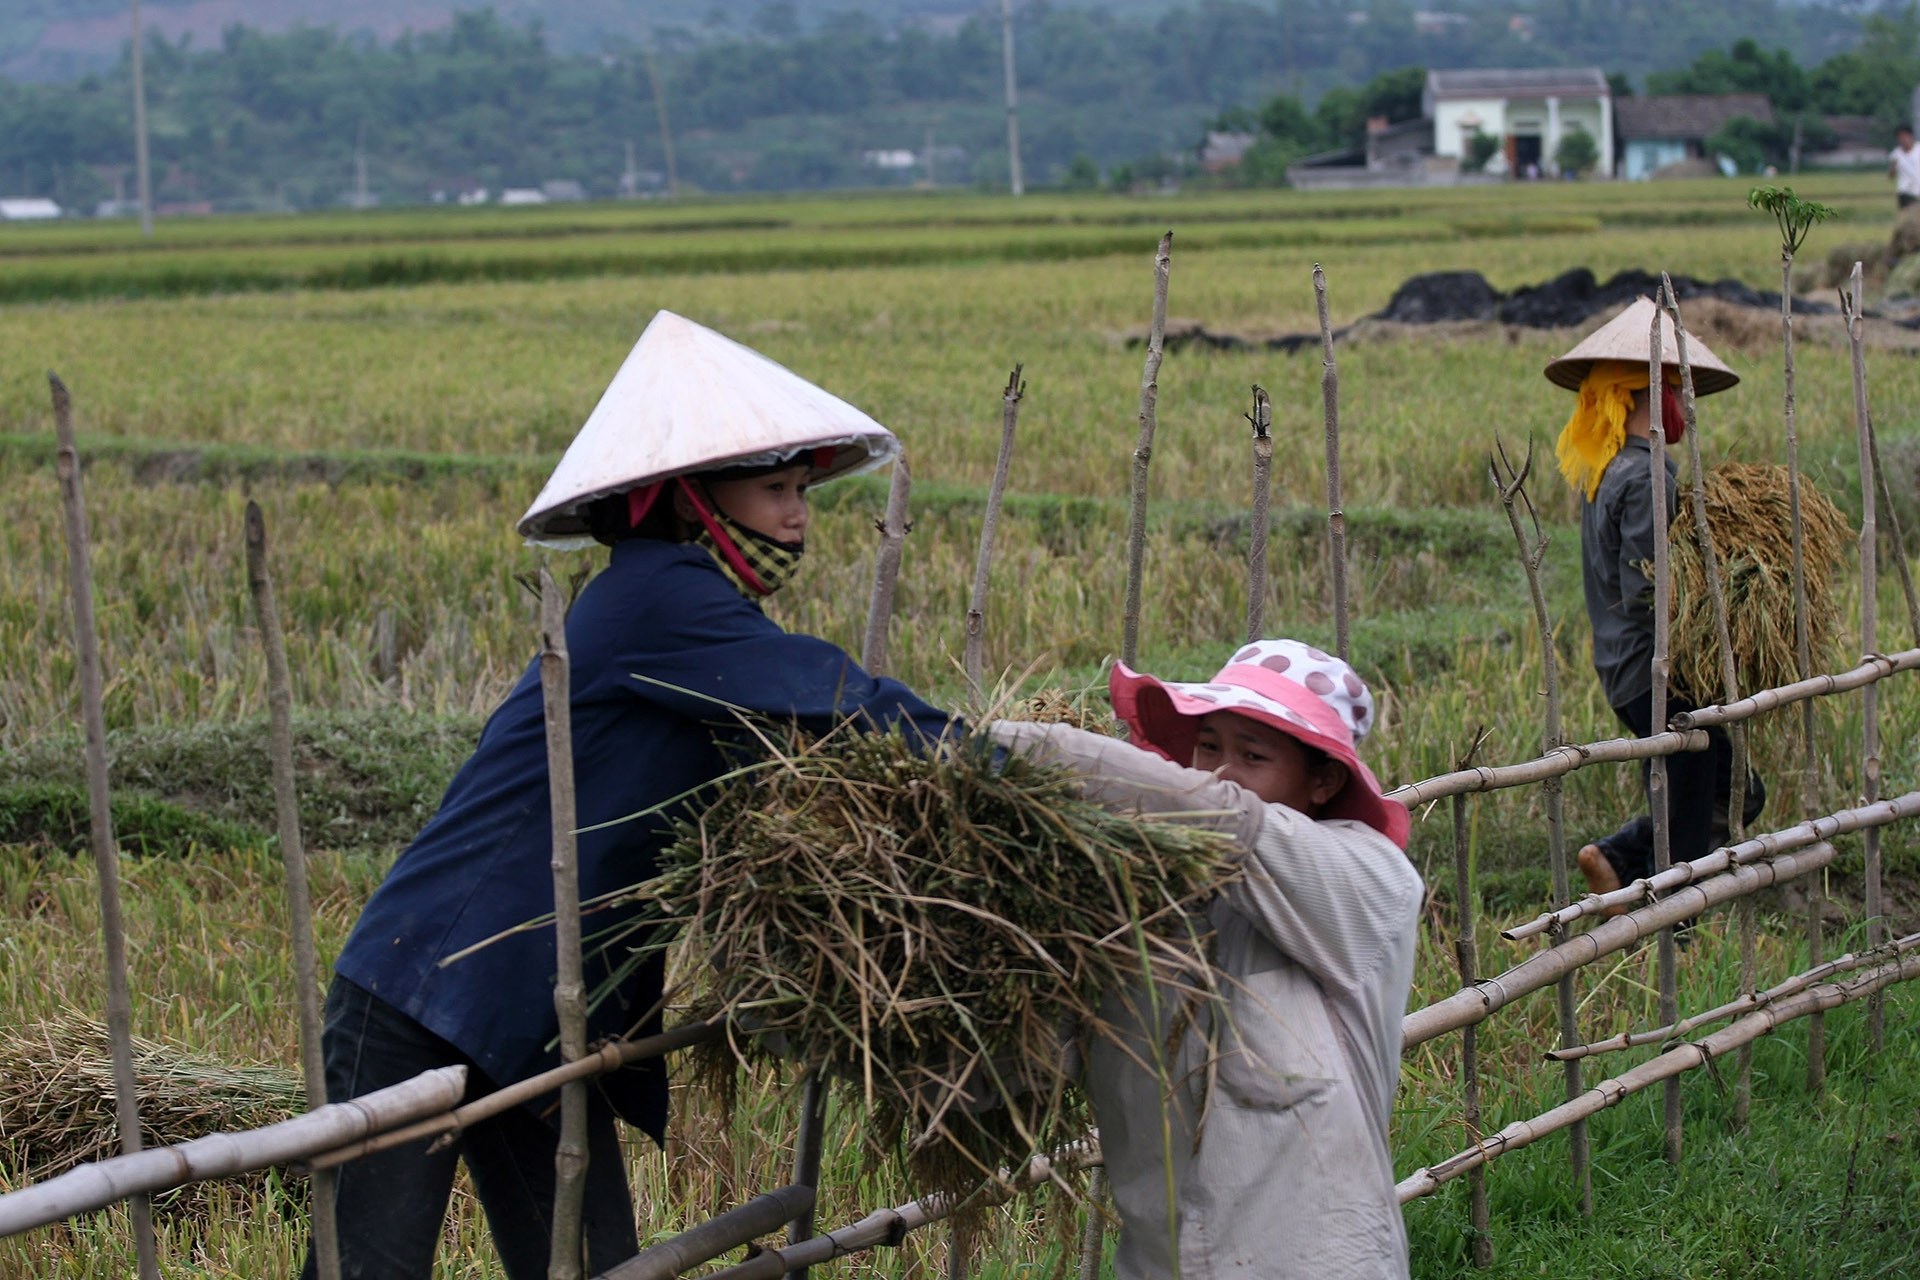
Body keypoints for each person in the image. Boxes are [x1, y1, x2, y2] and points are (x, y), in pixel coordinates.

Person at [301, 311, 962, 1279]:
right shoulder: (661, 599)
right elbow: (840, 699)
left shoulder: (686, 608)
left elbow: (798, 746)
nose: (798, 512)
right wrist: (992, 760)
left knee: (587, 1259)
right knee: (369, 1266)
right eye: (774, 488)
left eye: (802, 490)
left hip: (536, 998)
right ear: (692, 502)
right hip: (430, 978)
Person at [990, 639, 1422, 1280]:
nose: (1220, 772)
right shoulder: (1144, 905)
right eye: (1209, 747)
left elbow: (1227, 822)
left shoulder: (1364, 878)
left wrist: (1011, 750)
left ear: (1324, 779)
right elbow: (1041, 1055)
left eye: (1253, 755)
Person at [1544, 298, 1763, 908]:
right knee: (1697, 806)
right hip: (1657, 667)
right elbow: (1650, 588)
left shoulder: (1608, 467)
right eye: (1675, 392)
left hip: (1625, 666)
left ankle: (1617, 859)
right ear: (1647, 395)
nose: (1683, 405)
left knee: (1729, 787)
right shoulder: (1646, 475)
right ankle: (1676, 926)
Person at [1889, 124, 1920, 211]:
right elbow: (1891, 176)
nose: (1903, 140)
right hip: (1905, 191)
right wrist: (1893, 167)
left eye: (1905, 136)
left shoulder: (1918, 149)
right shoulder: (1896, 154)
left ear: (1911, 136)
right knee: (1908, 218)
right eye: (1900, 137)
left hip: (1918, 188)